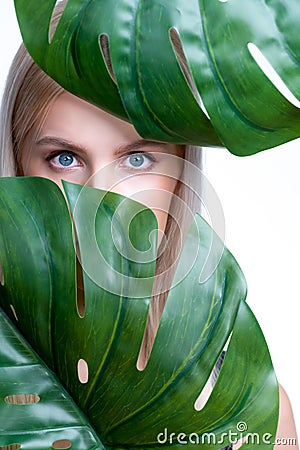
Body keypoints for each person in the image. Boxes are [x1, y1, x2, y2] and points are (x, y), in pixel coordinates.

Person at [0, 2, 298, 449]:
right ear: (20, 166)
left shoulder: (248, 415)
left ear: (181, 171)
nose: (102, 197)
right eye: (65, 159)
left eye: (137, 160)